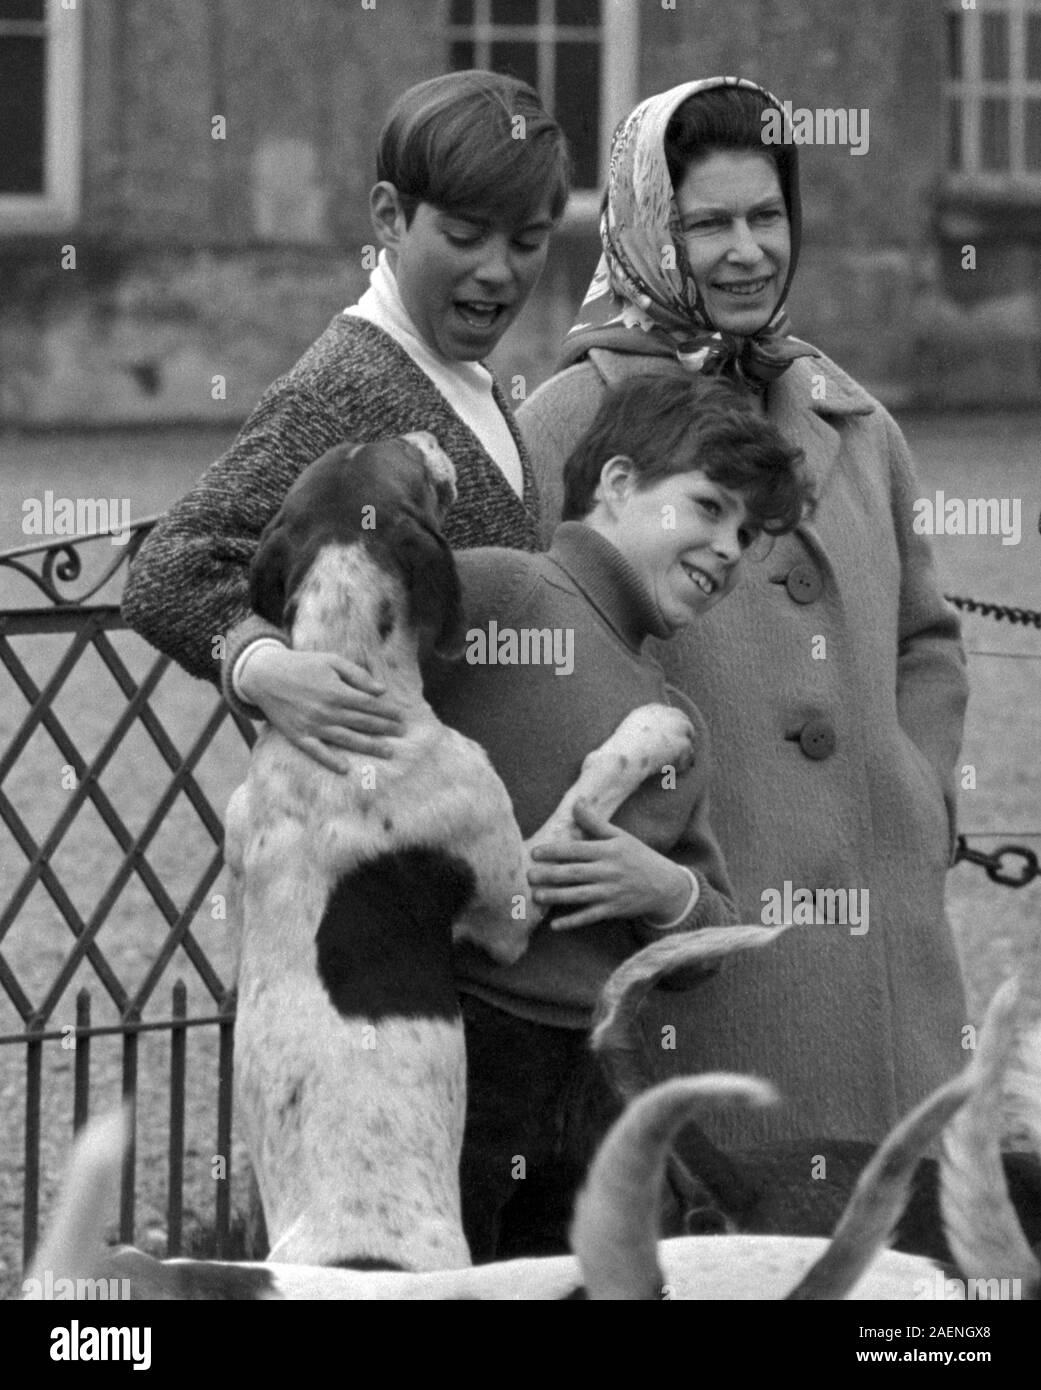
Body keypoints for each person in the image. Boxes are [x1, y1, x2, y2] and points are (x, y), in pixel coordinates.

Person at [516, 77, 970, 1152]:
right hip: (702, 962)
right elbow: (533, 664)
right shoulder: (565, 424)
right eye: (706, 223)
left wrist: (918, 795)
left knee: (904, 1280)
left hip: (890, 967)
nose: (746, 250)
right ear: (642, 230)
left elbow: (929, 641)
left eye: (766, 216)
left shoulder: (852, 417)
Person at [423, 370, 813, 1260]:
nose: (728, 547)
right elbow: (350, 669)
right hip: (457, 1045)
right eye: (708, 507)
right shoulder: (506, 593)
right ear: (619, 484)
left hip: (600, 1071)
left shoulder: (676, 721)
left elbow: (710, 933)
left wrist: (663, 888)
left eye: (747, 534)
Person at [122, 70, 569, 757]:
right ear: (389, 216)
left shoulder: (460, 373)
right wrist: (260, 666)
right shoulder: (337, 391)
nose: (498, 269)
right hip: (398, 841)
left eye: (526, 240)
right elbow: (168, 568)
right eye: (466, 234)